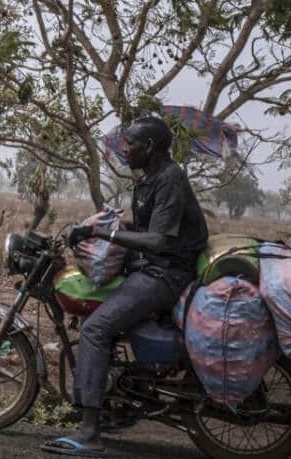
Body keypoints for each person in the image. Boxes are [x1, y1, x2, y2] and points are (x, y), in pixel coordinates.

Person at [43, 116, 208, 457]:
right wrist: (102, 221)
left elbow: (158, 240)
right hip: (152, 268)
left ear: (148, 147)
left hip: (166, 274)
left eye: (130, 143)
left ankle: (89, 433)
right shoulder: (150, 180)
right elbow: (146, 224)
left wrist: (102, 234)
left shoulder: (170, 179)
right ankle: (118, 400)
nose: (124, 148)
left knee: (94, 329)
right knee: (96, 320)